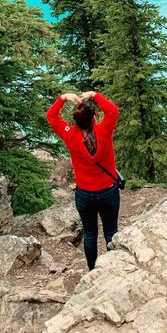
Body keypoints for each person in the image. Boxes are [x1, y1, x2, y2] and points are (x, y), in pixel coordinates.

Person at [46, 89, 120, 270]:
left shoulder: (70, 135)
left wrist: (62, 99)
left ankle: (93, 270)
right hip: (108, 191)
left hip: (84, 194)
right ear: (94, 116)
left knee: (90, 234)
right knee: (111, 232)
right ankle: (112, 269)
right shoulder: (104, 130)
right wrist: (95, 95)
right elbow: (113, 111)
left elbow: (52, 117)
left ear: (76, 121)